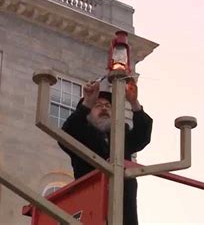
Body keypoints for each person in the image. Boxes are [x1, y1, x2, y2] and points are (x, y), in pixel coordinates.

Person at [59, 78, 153, 225]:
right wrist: (88, 101)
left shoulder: (122, 137)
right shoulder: (81, 134)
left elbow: (143, 135)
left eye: (108, 106)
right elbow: (66, 134)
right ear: (87, 115)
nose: (104, 108)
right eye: (97, 105)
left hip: (124, 214)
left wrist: (134, 103)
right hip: (91, 210)